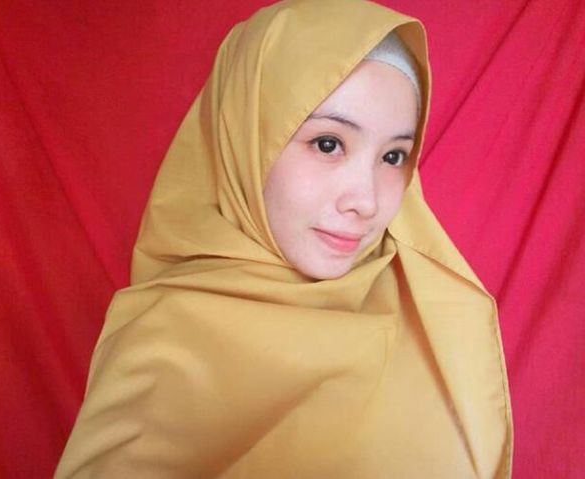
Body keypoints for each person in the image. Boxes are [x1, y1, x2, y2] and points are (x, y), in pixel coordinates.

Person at [55, 0, 512, 477]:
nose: (366, 201)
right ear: (244, 138)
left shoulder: (434, 315)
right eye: (328, 144)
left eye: (393, 157)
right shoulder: (165, 344)